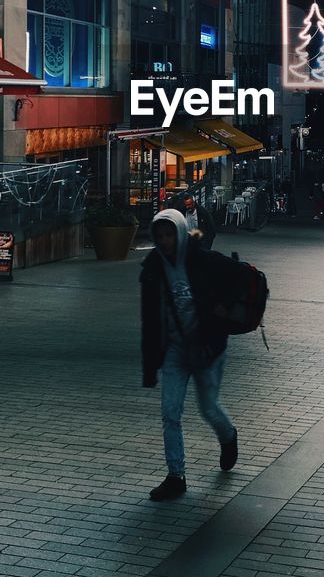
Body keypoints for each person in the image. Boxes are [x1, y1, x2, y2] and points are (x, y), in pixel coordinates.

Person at [139, 209, 239, 502]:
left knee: (208, 408)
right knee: (170, 413)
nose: (165, 241)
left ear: (181, 233)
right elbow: (149, 320)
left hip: (207, 347)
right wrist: (149, 366)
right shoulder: (153, 268)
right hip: (174, 350)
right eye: (160, 236)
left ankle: (228, 436)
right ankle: (176, 476)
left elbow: (240, 276)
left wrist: (225, 308)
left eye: (170, 234)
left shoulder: (202, 259)